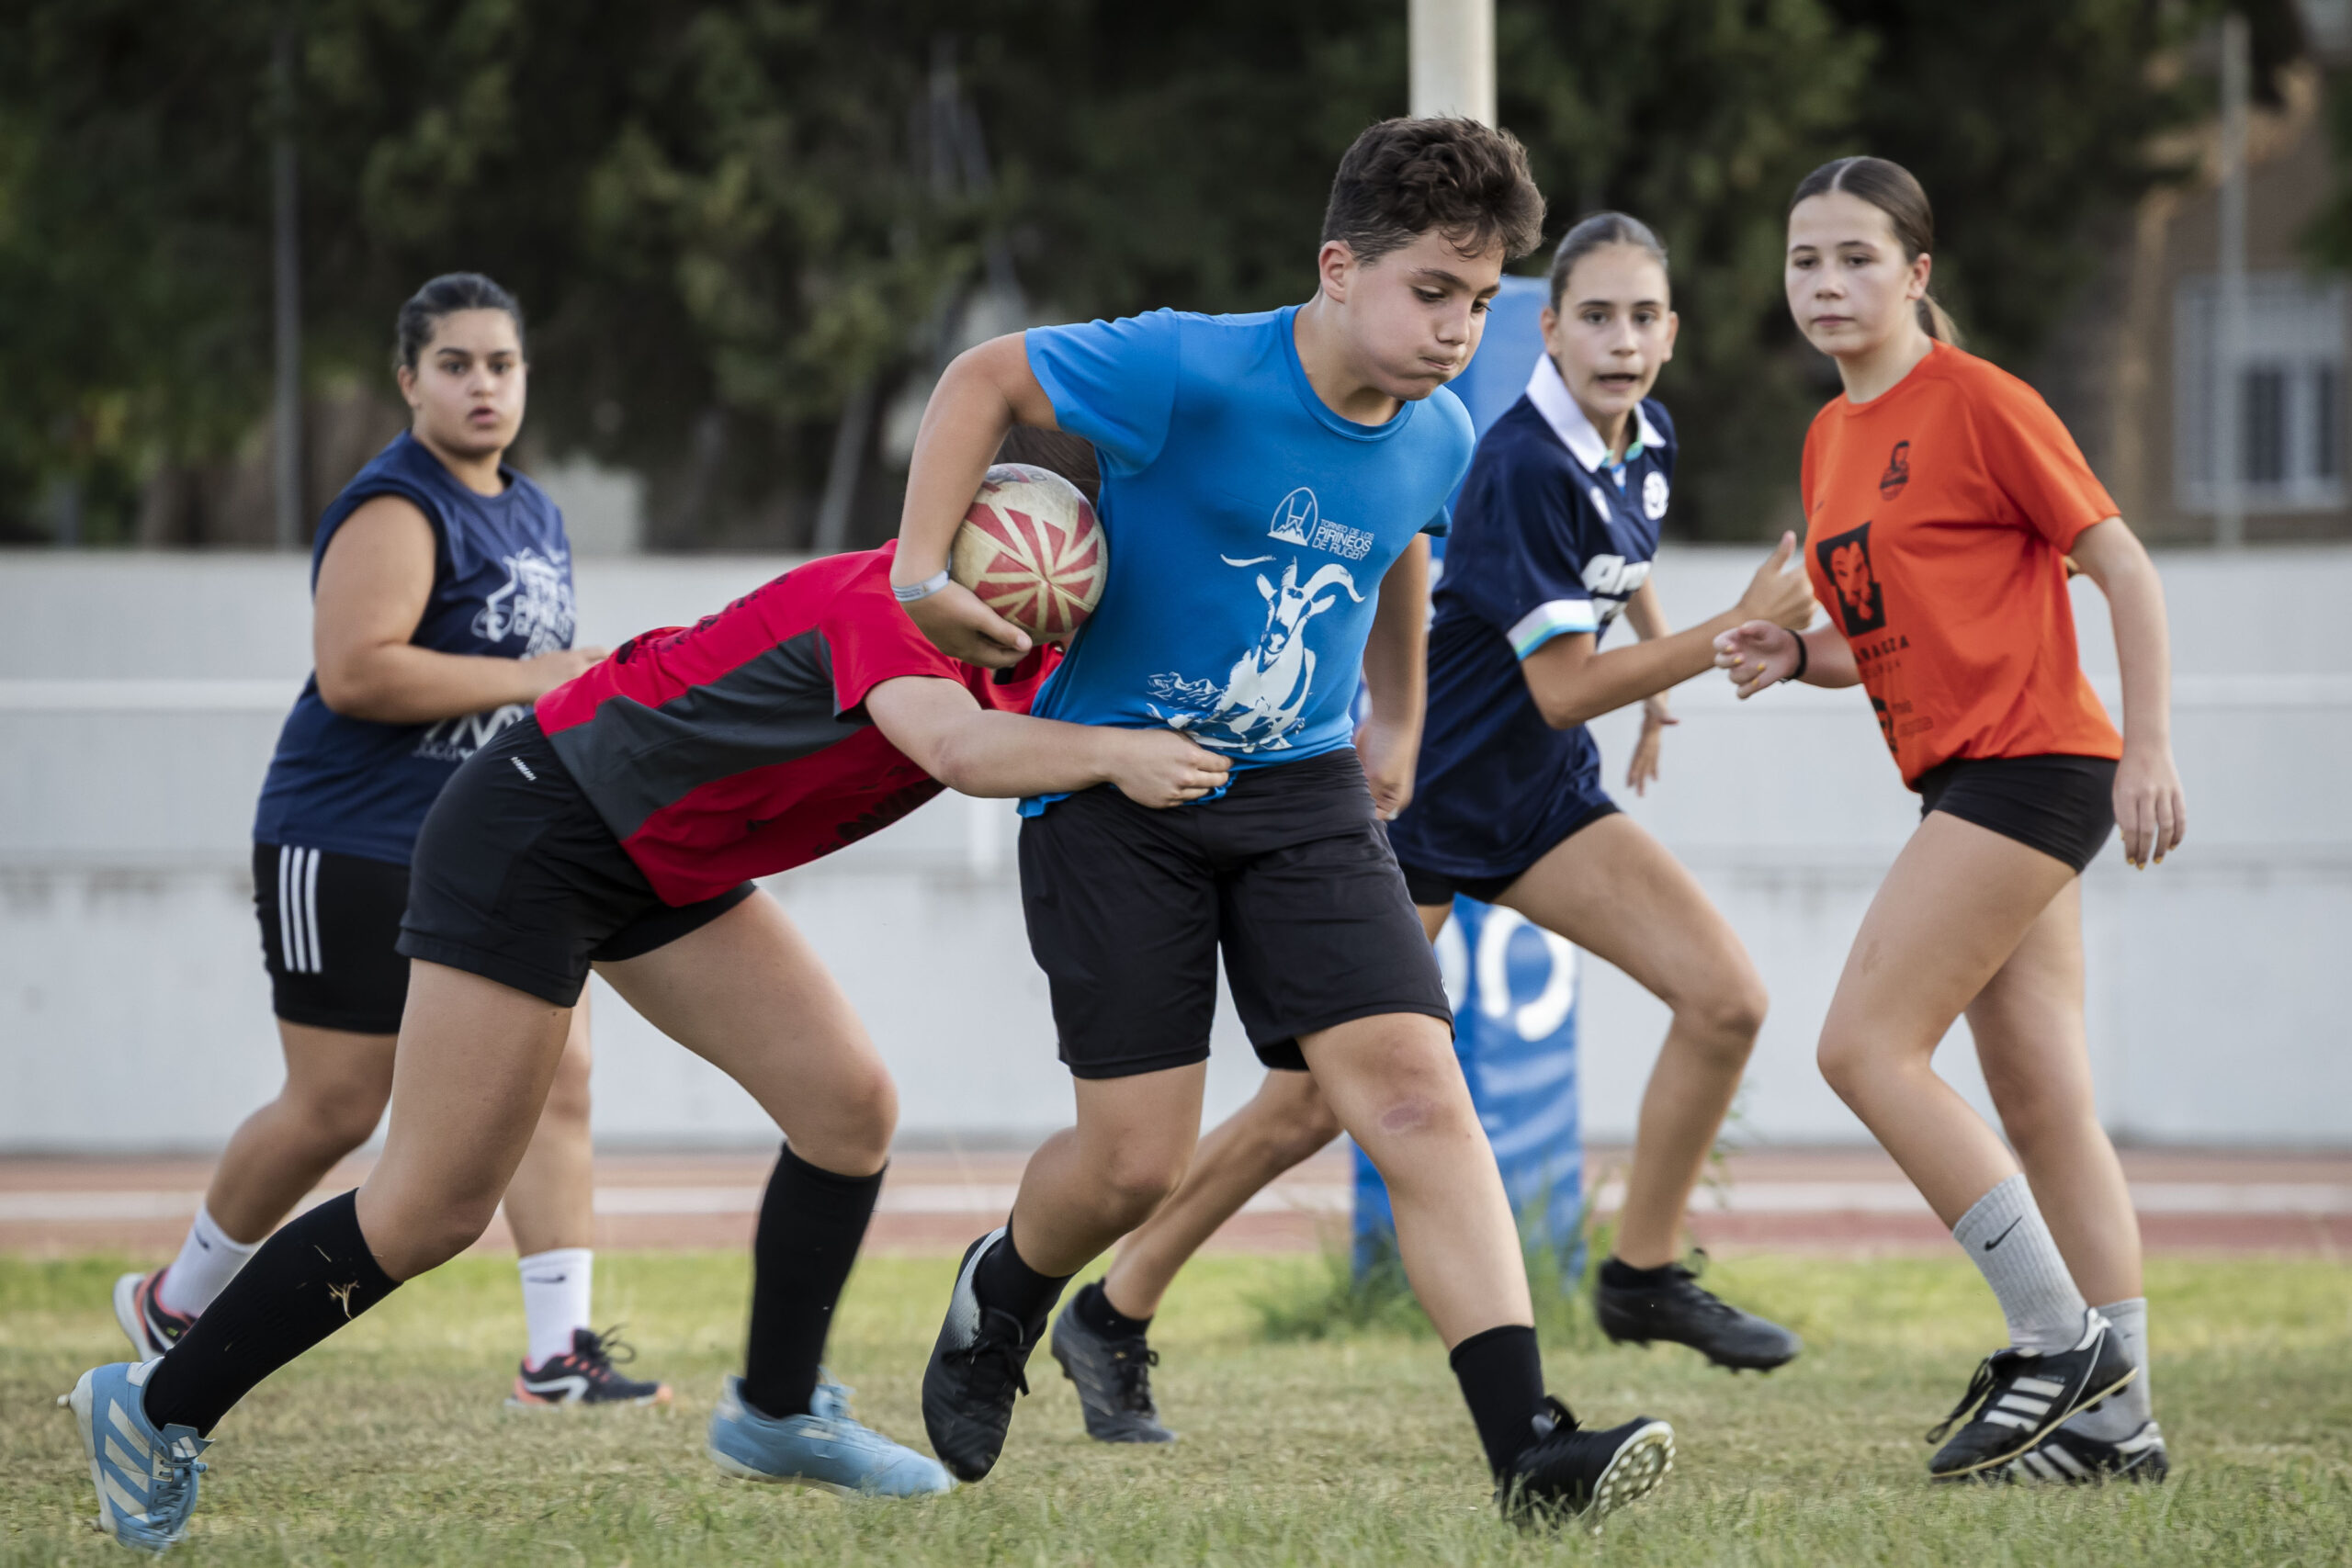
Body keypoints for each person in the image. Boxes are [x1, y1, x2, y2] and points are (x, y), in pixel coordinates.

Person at [62, 531, 1235, 1550]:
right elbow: (962, 754)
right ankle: (158, 1403)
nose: (1050, 576)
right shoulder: (883, 603)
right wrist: (1120, 755)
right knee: (430, 1208)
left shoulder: (1035, 658)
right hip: (541, 823)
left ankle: (775, 1416)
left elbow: (1058, 726)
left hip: (661, 858)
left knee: (846, 1110)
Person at [891, 118, 1676, 1525]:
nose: (1456, 328)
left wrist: (1400, 719)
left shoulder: (1439, 434)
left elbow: (1396, 559)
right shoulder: (1185, 366)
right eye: (1432, 290)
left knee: (1419, 1096)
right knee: (1132, 1159)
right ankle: (1003, 1290)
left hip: (1302, 789)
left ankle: (1531, 1448)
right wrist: (913, 569)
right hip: (1111, 781)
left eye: (1480, 301)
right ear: (1338, 267)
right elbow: (982, 376)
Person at [1042, 212, 1816, 1449]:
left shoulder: (1646, 436)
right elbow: (1559, 681)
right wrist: (1723, 634)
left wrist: (1663, 678)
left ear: (1674, 329)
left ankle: (1644, 1273)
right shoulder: (1507, 462)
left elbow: (1620, 558)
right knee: (1305, 1110)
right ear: (1547, 330)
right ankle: (1114, 1307)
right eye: (1595, 316)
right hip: (1425, 803)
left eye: (1645, 316)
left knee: (1726, 996)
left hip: (1541, 793)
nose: (1622, 341)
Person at [110, 273, 669, 1409]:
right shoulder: (397, 504)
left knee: (560, 1070)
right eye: (455, 364)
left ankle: (557, 1355)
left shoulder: (536, 509)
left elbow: (534, 688)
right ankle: (177, 1302)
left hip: (488, 843)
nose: (481, 385)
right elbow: (357, 671)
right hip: (346, 837)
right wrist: (540, 676)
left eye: (500, 365)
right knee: (339, 1104)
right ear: (408, 378)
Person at [1712, 156, 2183, 1484]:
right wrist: (1791, 657)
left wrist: (2149, 746)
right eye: (1806, 260)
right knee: (2042, 1097)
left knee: (1864, 1045)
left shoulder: (1981, 402)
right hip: (1969, 775)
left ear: (1918, 272)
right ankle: (2118, 1426)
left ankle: (2055, 1342)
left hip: (2037, 767)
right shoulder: (1827, 438)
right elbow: (1896, 633)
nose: (1827, 283)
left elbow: (2124, 565)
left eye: (1857, 257)